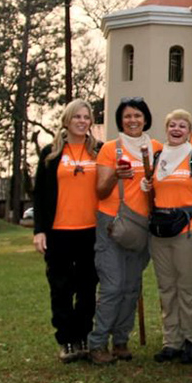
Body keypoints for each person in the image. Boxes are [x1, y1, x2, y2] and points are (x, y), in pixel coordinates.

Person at [87, 97, 161, 365]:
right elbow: (100, 190)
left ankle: (120, 340)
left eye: (138, 116)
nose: (133, 121)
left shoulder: (157, 148)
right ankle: (97, 343)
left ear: (146, 119)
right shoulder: (110, 149)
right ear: (120, 120)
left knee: (131, 287)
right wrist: (115, 176)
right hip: (113, 223)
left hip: (142, 226)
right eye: (128, 116)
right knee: (113, 286)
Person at [144, 109, 192, 365]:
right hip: (160, 230)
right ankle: (171, 341)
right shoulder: (157, 157)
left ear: (190, 131)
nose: (176, 129)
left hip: (190, 229)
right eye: (172, 125)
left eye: (182, 126)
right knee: (166, 287)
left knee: (188, 286)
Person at [32, 99, 101, 364]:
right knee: (60, 289)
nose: (82, 121)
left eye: (86, 117)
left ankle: (82, 337)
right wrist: (40, 231)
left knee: (86, 289)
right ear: (67, 121)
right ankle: (66, 340)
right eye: (77, 117)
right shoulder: (51, 153)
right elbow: (38, 196)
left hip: (90, 232)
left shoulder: (98, 151)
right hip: (59, 232)